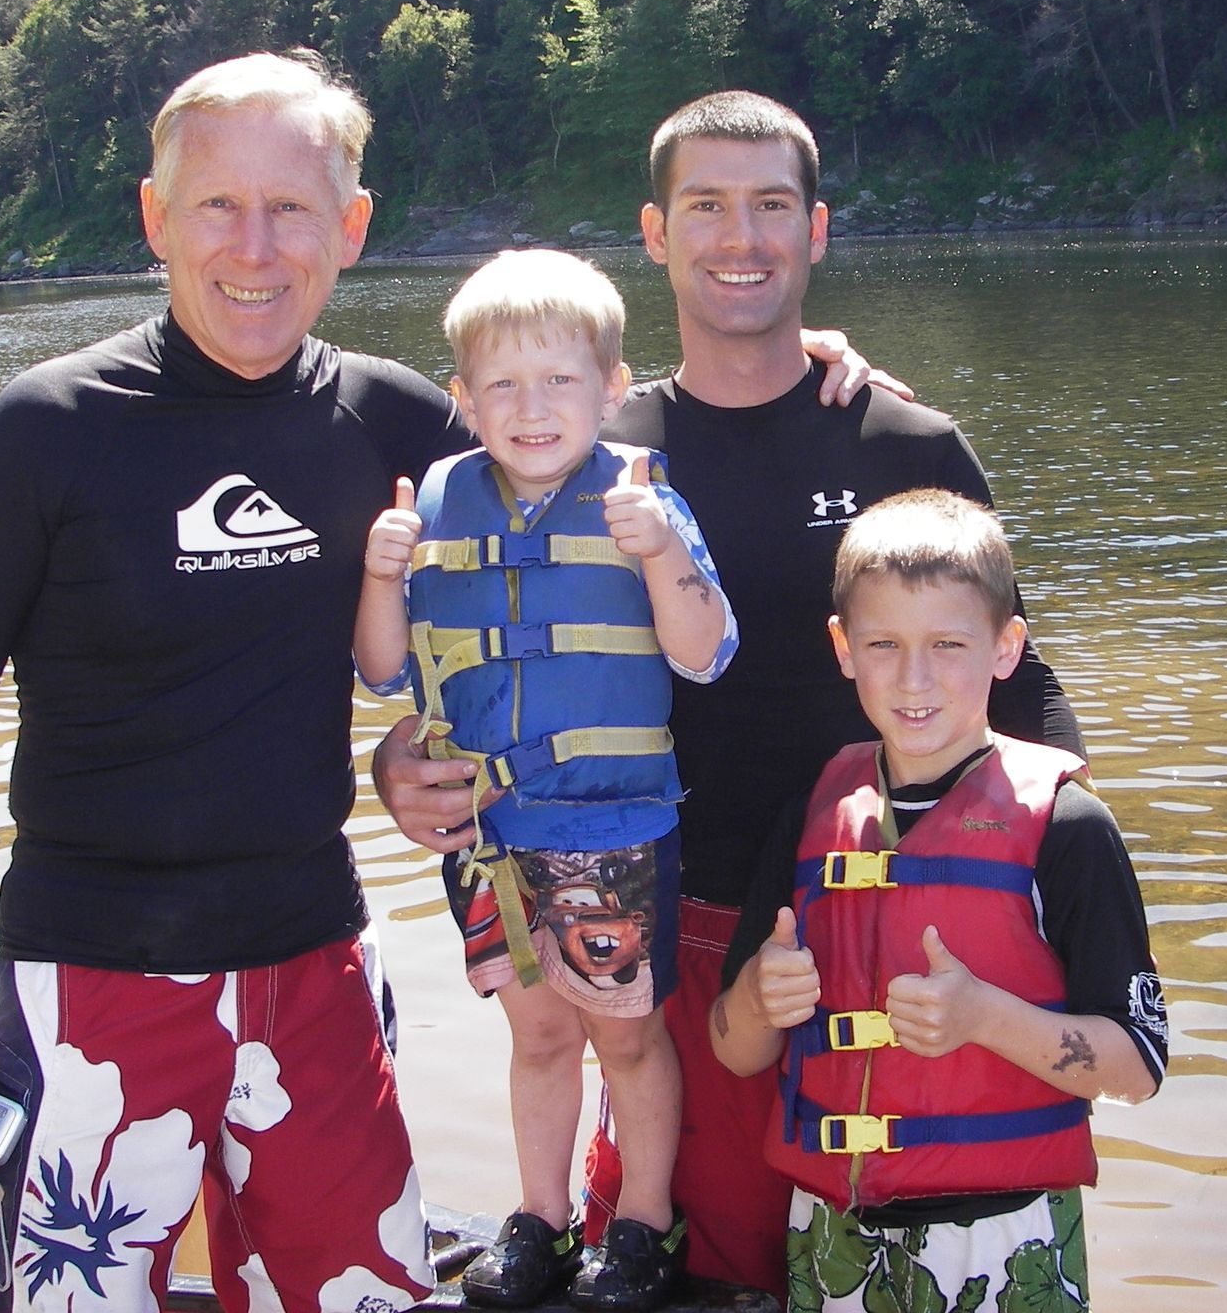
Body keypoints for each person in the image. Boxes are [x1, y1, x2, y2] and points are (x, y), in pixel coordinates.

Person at [374, 90, 1087, 1295]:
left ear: (818, 230)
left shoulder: (902, 441)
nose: (739, 237)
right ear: (656, 233)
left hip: (868, 921)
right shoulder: (591, 443)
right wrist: (397, 758)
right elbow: (463, 637)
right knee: (695, 1254)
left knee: (880, 1254)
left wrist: (1063, 878)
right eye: (706, 206)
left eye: (771, 205)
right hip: (667, 912)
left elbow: (1020, 679)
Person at [0, 50, 473, 1312]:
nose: (256, 247)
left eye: (293, 207)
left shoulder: (394, 424)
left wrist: (790, 372)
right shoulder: (43, 430)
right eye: (217, 206)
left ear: (351, 229)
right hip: (95, 981)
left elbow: (579, 474)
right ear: (155, 217)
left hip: (314, 967)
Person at [355, 249, 735, 1311]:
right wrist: (384, 573)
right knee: (538, 1033)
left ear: (610, 389)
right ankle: (542, 1219)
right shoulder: (437, 498)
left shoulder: (641, 497)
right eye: (503, 386)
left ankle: (645, 1229)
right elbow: (383, 667)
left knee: (626, 1034)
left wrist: (660, 552)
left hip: (610, 827)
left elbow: (706, 651)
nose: (532, 408)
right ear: (465, 400)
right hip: (489, 836)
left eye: (560, 380)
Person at [710, 489, 1167, 1313]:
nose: (913, 678)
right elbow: (735, 1050)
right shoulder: (812, 809)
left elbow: (1139, 1069)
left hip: (1007, 1239)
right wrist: (758, 996)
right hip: (830, 1237)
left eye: (948, 644)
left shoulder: (1067, 826)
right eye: (883, 643)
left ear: (1005, 646)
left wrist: (986, 1016)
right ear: (843, 648)